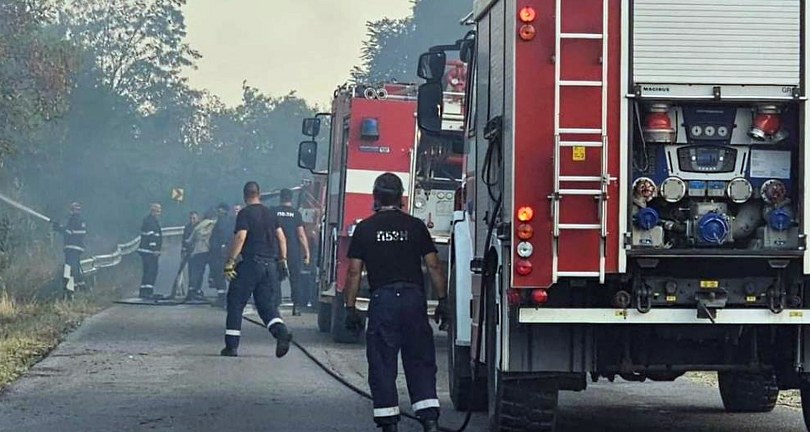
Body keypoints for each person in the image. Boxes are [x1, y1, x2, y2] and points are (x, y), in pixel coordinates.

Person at [344, 173, 448, 432]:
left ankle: (389, 423)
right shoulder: (415, 226)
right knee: (420, 359)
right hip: (413, 300)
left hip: (383, 301)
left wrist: (350, 307)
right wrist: (443, 299)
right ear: (401, 198)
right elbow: (433, 265)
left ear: (375, 198)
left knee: (382, 362)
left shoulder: (365, 229)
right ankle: (429, 420)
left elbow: (354, 272)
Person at [221, 181, 292, 358]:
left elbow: (241, 236)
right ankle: (281, 333)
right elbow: (282, 238)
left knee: (236, 302)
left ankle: (231, 346)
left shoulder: (245, 213)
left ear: (245, 195)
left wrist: (230, 261)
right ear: (259, 194)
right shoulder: (270, 213)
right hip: (270, 265)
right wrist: (283, 260)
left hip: (251, 263)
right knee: (266, 305)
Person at [273, 188, 311, 316]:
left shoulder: (273, 212)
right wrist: (307, 252)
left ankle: (276, 305)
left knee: (275, 278)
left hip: (275, 250)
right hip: (293, 251)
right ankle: (296, 307)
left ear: (280, 197)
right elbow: (301, 234)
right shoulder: (296, 214)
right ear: (291, 198)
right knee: (295, 279)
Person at [52, 202, 87, 296]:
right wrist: (60, 227)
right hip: (76, 248)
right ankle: (76, 287)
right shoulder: (79, 220)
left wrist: (59, 228)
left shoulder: (74, 219)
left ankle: (69, 288)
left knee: (70, 267)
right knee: (73, 267)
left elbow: (69, 232)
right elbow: (70, 231)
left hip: (72, 247)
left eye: (72, 210)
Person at [187, 209, 216, 301]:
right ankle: (212, 281)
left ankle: (193, 290)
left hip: (198, 251)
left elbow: (190, 240)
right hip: (209, 251)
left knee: (197, 272)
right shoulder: (214, 224)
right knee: (214, 269)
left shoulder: (198, 226)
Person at [208, 203, 233, 306]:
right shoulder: (229, 220)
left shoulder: (223, 221)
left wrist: (222, 245)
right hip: (225, 251)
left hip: (219, 252)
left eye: (219, 210)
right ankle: (229, 296)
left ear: (224, 210)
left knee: (219, 274)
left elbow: (222, 234)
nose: (218, 211)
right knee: (227, 274)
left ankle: (222, 298)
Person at [137, 203, 163, 299]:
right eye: (158, 211)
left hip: (146, 251)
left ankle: (144, 291)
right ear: (153, 211)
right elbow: (151, 237)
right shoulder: (151, 222)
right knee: (151, 271)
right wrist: (155, 249)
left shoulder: (150, 220)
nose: (159, 213)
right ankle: (147, 292)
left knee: (147, 271)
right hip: (149, 252)